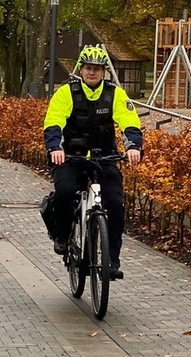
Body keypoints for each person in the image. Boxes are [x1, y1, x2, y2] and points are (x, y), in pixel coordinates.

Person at [43, 46, 142, 280]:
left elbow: (129, 121)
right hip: (70, 157)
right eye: (88, 68)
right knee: (65, 192)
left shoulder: (115, 94)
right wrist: (55, 147)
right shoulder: (66, 93)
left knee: (115, 204)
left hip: (103, 157)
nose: (92, 72)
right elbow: (54, 121)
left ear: (103, 71)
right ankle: (62, 235)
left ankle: (112, 260)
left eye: (97, 69)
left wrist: (133, 146)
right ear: (81, 69)